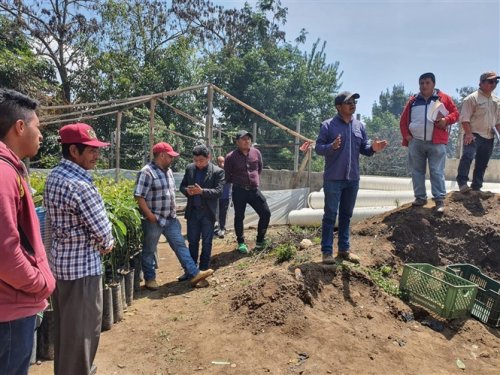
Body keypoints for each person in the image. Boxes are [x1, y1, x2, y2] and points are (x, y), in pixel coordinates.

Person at [44, 122, 114, 375]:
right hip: (82, 271)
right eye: (92, 151)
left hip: (61, 267)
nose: (97, 156)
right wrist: (106, 243)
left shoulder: (55, 176)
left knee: (66, 332)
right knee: (84, 333)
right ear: (74, 151)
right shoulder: (80, 184)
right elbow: (104, 236)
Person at [0, 88, 56, 375]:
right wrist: (39, 283)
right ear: (19, 127)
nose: (41, 135)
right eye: (38, 126)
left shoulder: (11, 169)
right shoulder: (4, 173)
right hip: (10, 308)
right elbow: (5, 252)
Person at [315, 92, 388, 264]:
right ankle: (326, 252)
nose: (353, 104)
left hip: (352, 178)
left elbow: (364, 148)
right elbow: (318, 148)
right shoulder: (328, 125)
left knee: (346, 215)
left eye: (354, 101)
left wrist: (374, 148)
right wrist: (331, 147)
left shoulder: (359, 126)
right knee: (330, 215)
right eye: (348, 102)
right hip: (333, 178)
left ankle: (344, 250)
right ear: (339, 107)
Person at [134, 142, 214, 290]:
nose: (172, 159)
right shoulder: (146, 172)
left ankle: (194, 273)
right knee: (149, 249)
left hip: (170, 219)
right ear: (162, 155)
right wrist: (149, 216)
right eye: (170, 156)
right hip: (154, 219)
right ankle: (150, 279)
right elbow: (139, 196)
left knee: (180, 246)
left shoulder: (168, 171)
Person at [400, 72, 459, 212]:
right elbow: (403, 121)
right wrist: (407, 137)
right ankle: (420, 198)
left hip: (436, 142)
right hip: (416, 142)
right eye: (421, 83)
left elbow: (456, 114)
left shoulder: (444, 98)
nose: (424, 86)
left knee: (436, 171)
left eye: (427, 83)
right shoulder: (413, 100)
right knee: (416, 171)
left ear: (434, 84)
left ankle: (439, 200)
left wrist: (446, 120)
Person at [179, 145, 224, 287]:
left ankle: (204, 270)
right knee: (192, 242)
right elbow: (182, 186)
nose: (198, 163)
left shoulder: (217, 172)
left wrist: (201, 192)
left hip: (207, 213)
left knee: (207, 242)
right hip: (193, 211)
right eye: (196, 160)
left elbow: (219, 191)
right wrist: (188, 191)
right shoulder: (190, 168)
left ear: (208, 157)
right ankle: (191, 271)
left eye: (201, 160)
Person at [224, 130, 271, 254]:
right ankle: (241, 242)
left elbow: (259, 168)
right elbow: (227, 175)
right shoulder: (230, 157)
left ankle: (260, 241)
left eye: (248, 138)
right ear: (237, 142)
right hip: (239, 191)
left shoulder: (256, 153)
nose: (247, 141)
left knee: (265, 213)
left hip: (254, 190)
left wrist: (254, 180)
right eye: (243, 139)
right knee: (239, 217)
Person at [456, 71, 500, 192]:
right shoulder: (471, 98)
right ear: (481, 83)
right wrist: (469, 134)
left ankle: (476, 187)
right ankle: (462, 183)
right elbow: (465, 118)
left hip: (489, 136)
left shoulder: (496, 100)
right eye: (490, 81)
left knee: (482, 162)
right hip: (474, 134)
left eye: (496, 81)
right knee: (467, 156)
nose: (494, 84)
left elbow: (497, 121)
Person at [214, 155, 232, 238]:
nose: (221, 163)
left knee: (224, 213)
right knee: (216, 213)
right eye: (220, 162)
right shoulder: (215, 172)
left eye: (223, 161)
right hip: (217, 197)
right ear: (217, 162)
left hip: (226, 196)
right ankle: (217, 228)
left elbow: (231, 182)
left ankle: (222, 228)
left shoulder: (228, 172)